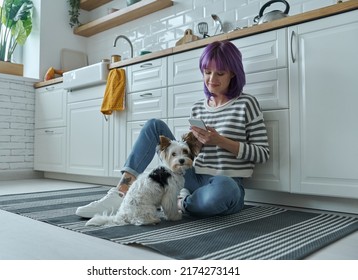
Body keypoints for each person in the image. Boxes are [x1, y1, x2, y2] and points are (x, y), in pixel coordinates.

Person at [76, 40, 270, 218]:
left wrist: (219, 140)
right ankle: (122, 192)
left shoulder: (246, 104)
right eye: (207, 72)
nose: (211, 79)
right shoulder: (199, 107)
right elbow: (188, 156)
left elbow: (262, 154)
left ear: (233, 73)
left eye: (220, 73)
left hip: (227, 182)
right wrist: (193, 143)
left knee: (224, 189)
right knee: (154, 125)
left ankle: (180, 202)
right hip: (193, 176)